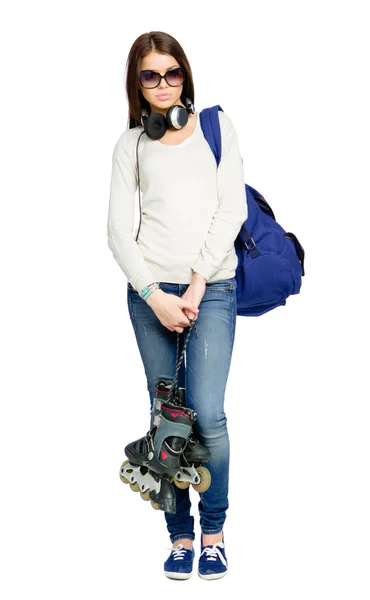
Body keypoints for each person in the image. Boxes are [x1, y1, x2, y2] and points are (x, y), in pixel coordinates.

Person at [107, 30, 247, 580]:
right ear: (137, 85)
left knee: (207, 415)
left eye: (172, 73)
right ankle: (179, 537)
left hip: (210, 289)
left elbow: (231, 210)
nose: (163, 84)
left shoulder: (216, 128)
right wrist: (153, 295)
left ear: (184, 75)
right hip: (149, 295)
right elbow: (118, 231)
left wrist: (192, 286)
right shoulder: (130, 146)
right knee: (166, 419)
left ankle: (213, 533)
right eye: (151, 75)